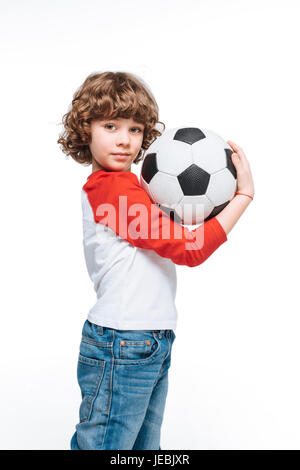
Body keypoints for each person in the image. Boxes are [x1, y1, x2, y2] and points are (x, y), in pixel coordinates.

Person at [57, 71, 255, 450]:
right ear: (86, 129)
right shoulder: (112, 191)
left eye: (134, 130)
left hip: (148, 338)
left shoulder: (133, 188)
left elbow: (179, 225)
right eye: (110, 125)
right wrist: (243, 196)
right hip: (123, 340)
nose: (124, 140)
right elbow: (190, 248)